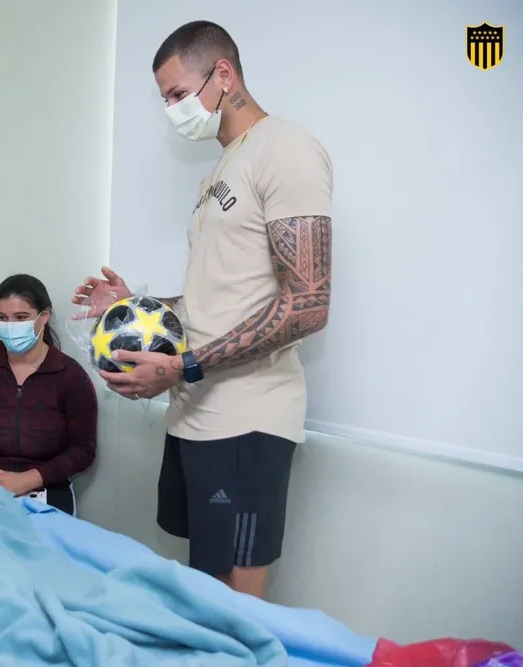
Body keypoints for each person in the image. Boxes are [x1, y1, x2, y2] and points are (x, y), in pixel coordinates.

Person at [72, 21, 333, 598]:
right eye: (164, 98)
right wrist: (132, 305)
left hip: (246, 416)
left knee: (235, 606)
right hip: (197, 411)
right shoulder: (219, 171)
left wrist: (185, 366)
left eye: (176, 94)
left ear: (223, 74)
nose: (172, 109)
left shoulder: (285, 150)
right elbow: (212, 298)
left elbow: (308, 304)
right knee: (203, 591)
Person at [0, 274, 97, 515]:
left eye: (21, 317)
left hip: (46, 486)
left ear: (43, 317)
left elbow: (83, 449)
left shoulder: (70, 375)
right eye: (2, 318)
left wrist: (30, 479)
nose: (10, 326)